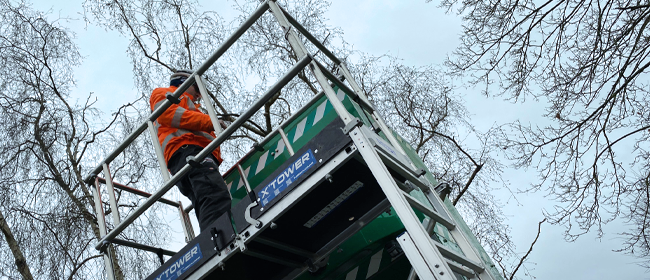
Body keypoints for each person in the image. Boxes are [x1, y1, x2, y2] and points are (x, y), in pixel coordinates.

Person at [149, 69, 231, 232]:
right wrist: (211, 121)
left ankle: (212, 243)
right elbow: (169, 114)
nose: (200, 94)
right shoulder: (165, 94)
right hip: (188, 151)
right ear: (183, 82)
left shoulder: (190, 106)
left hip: (187, 155)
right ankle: (219, 243)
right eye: (197, 88)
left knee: (206, 201)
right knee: (214, 195)